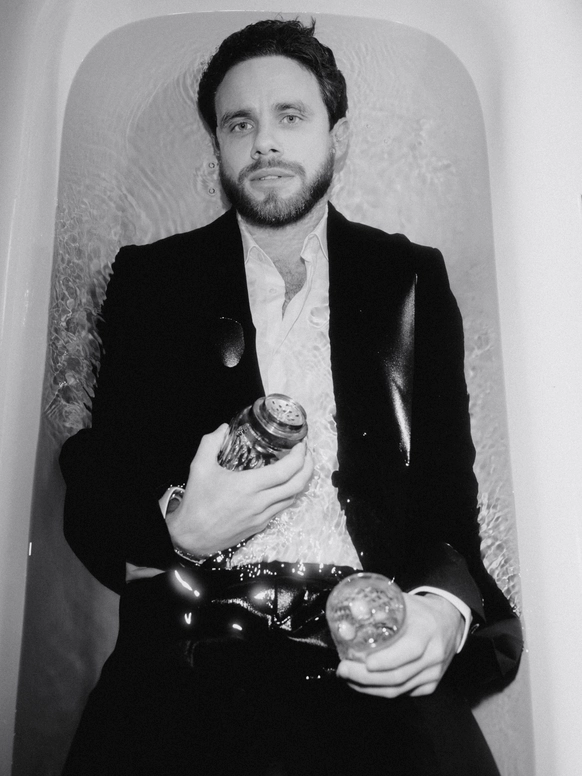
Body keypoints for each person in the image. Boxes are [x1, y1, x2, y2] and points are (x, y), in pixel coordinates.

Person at [60, 18, 522, 776]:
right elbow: (96, 488)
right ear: (217, 147)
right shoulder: (153, 281)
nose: (264, 142)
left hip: (369, 640)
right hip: (195, 642)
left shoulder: (408, 279)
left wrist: (442, 612)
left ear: (337, 136)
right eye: (239, 124)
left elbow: (447, 495)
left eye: (290, 116)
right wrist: (178, 526)